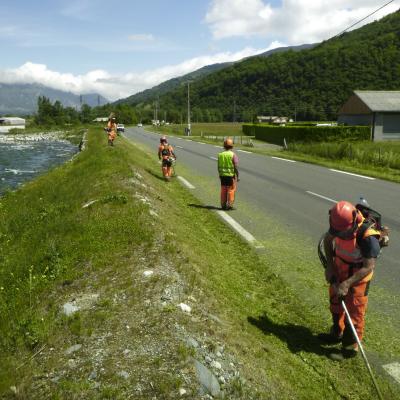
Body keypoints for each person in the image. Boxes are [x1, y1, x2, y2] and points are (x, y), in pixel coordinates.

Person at [322, 200, 387, 358]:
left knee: (355, 313)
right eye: (337, 232)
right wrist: (330, 266)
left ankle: (349, 349)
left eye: (343, 233)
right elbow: (327, 240)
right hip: (339, 271)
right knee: (336, 303)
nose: (340, 235)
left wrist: (347, 283)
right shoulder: (338, 225)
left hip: (358, 279)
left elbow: (368, 266)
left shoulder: (366, 236)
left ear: (354, 222)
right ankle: (336, 333)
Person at [217, 138, 239, 210]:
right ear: (232, 146)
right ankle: (229, 205)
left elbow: (218, 166)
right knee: (231, 190)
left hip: (222, 176)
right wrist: (237, 175)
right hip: (230, 176)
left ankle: (223, 204)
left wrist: (220, 174)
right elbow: (235, 167)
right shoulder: (233, 155)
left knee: (223, 190)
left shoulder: (220, 155)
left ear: (224, 146)